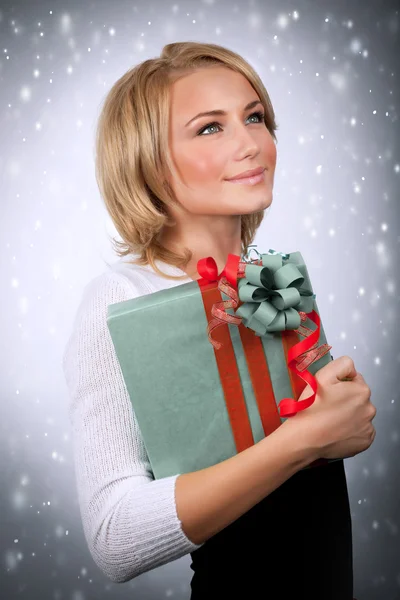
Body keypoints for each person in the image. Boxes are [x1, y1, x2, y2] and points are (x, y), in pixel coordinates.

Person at [62, 41, 376, 598]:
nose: (252, 143)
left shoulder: (270, 275)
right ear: (148, 159)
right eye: (211, 128)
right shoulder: (120, 297)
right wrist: (305, 439)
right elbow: (114, 537)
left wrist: (340, 416)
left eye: (255, 117)